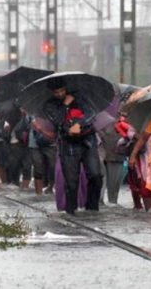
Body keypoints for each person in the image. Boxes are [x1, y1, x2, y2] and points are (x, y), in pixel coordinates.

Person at [44, 78, 103, 215]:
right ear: (52, 92)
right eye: (56, 92)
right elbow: (57, 121)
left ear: (66, 88)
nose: (59, 94)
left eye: (62, 91)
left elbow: (91, 114)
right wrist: (65, 105)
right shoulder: (50, 105)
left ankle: (92, 208)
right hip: (68, 145)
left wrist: (79, 124)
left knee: (96, 175)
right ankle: (71, 211)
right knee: (71, 182)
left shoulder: (80, 97)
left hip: (88, 142)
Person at [29, 117, 57, 195]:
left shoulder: (54, 110)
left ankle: (50, 188)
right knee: (38, 168)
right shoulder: (32, 111)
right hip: (35, 143)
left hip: (51, 142)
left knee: (52, 167)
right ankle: (38, 193)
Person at [9, 109, 33, 189]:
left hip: (22, 144)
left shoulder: (27, 118)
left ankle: (23, 186)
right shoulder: (13, 118)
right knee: (18, 166)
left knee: (24, 166)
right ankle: (21, 186)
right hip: (17, 144)